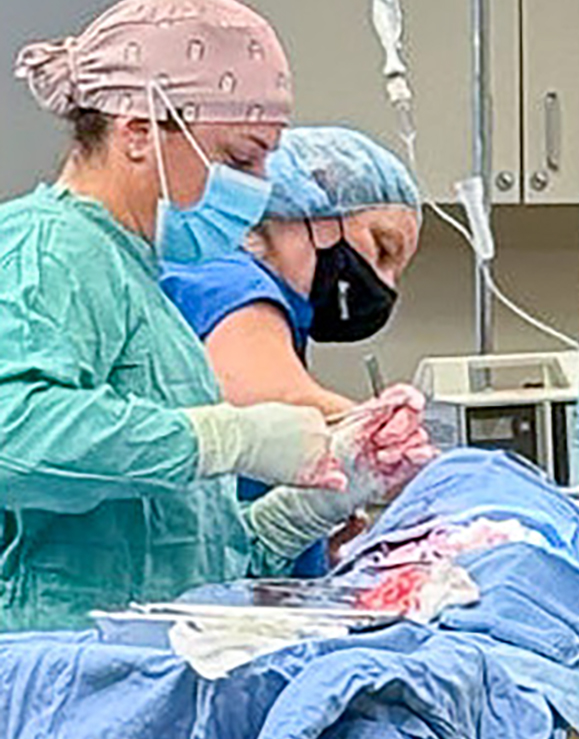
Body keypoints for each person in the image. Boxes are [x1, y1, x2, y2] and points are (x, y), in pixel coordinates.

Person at [0, 0, 419, 631]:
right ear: (138, 132)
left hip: (145, 673)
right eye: (242, 159)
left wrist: (326, 495)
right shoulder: (47, 249)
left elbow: (199, 559)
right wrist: (231, 437)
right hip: (62, 685)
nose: (256, 189)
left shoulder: (141, 282)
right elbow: (15, 438)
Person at [160, 126, 422, 419]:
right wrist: (374, 430)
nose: (386, 283)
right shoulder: (226, 277)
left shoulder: (235, 277)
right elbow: (268, 398)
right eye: (383, 249)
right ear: (316, 204)